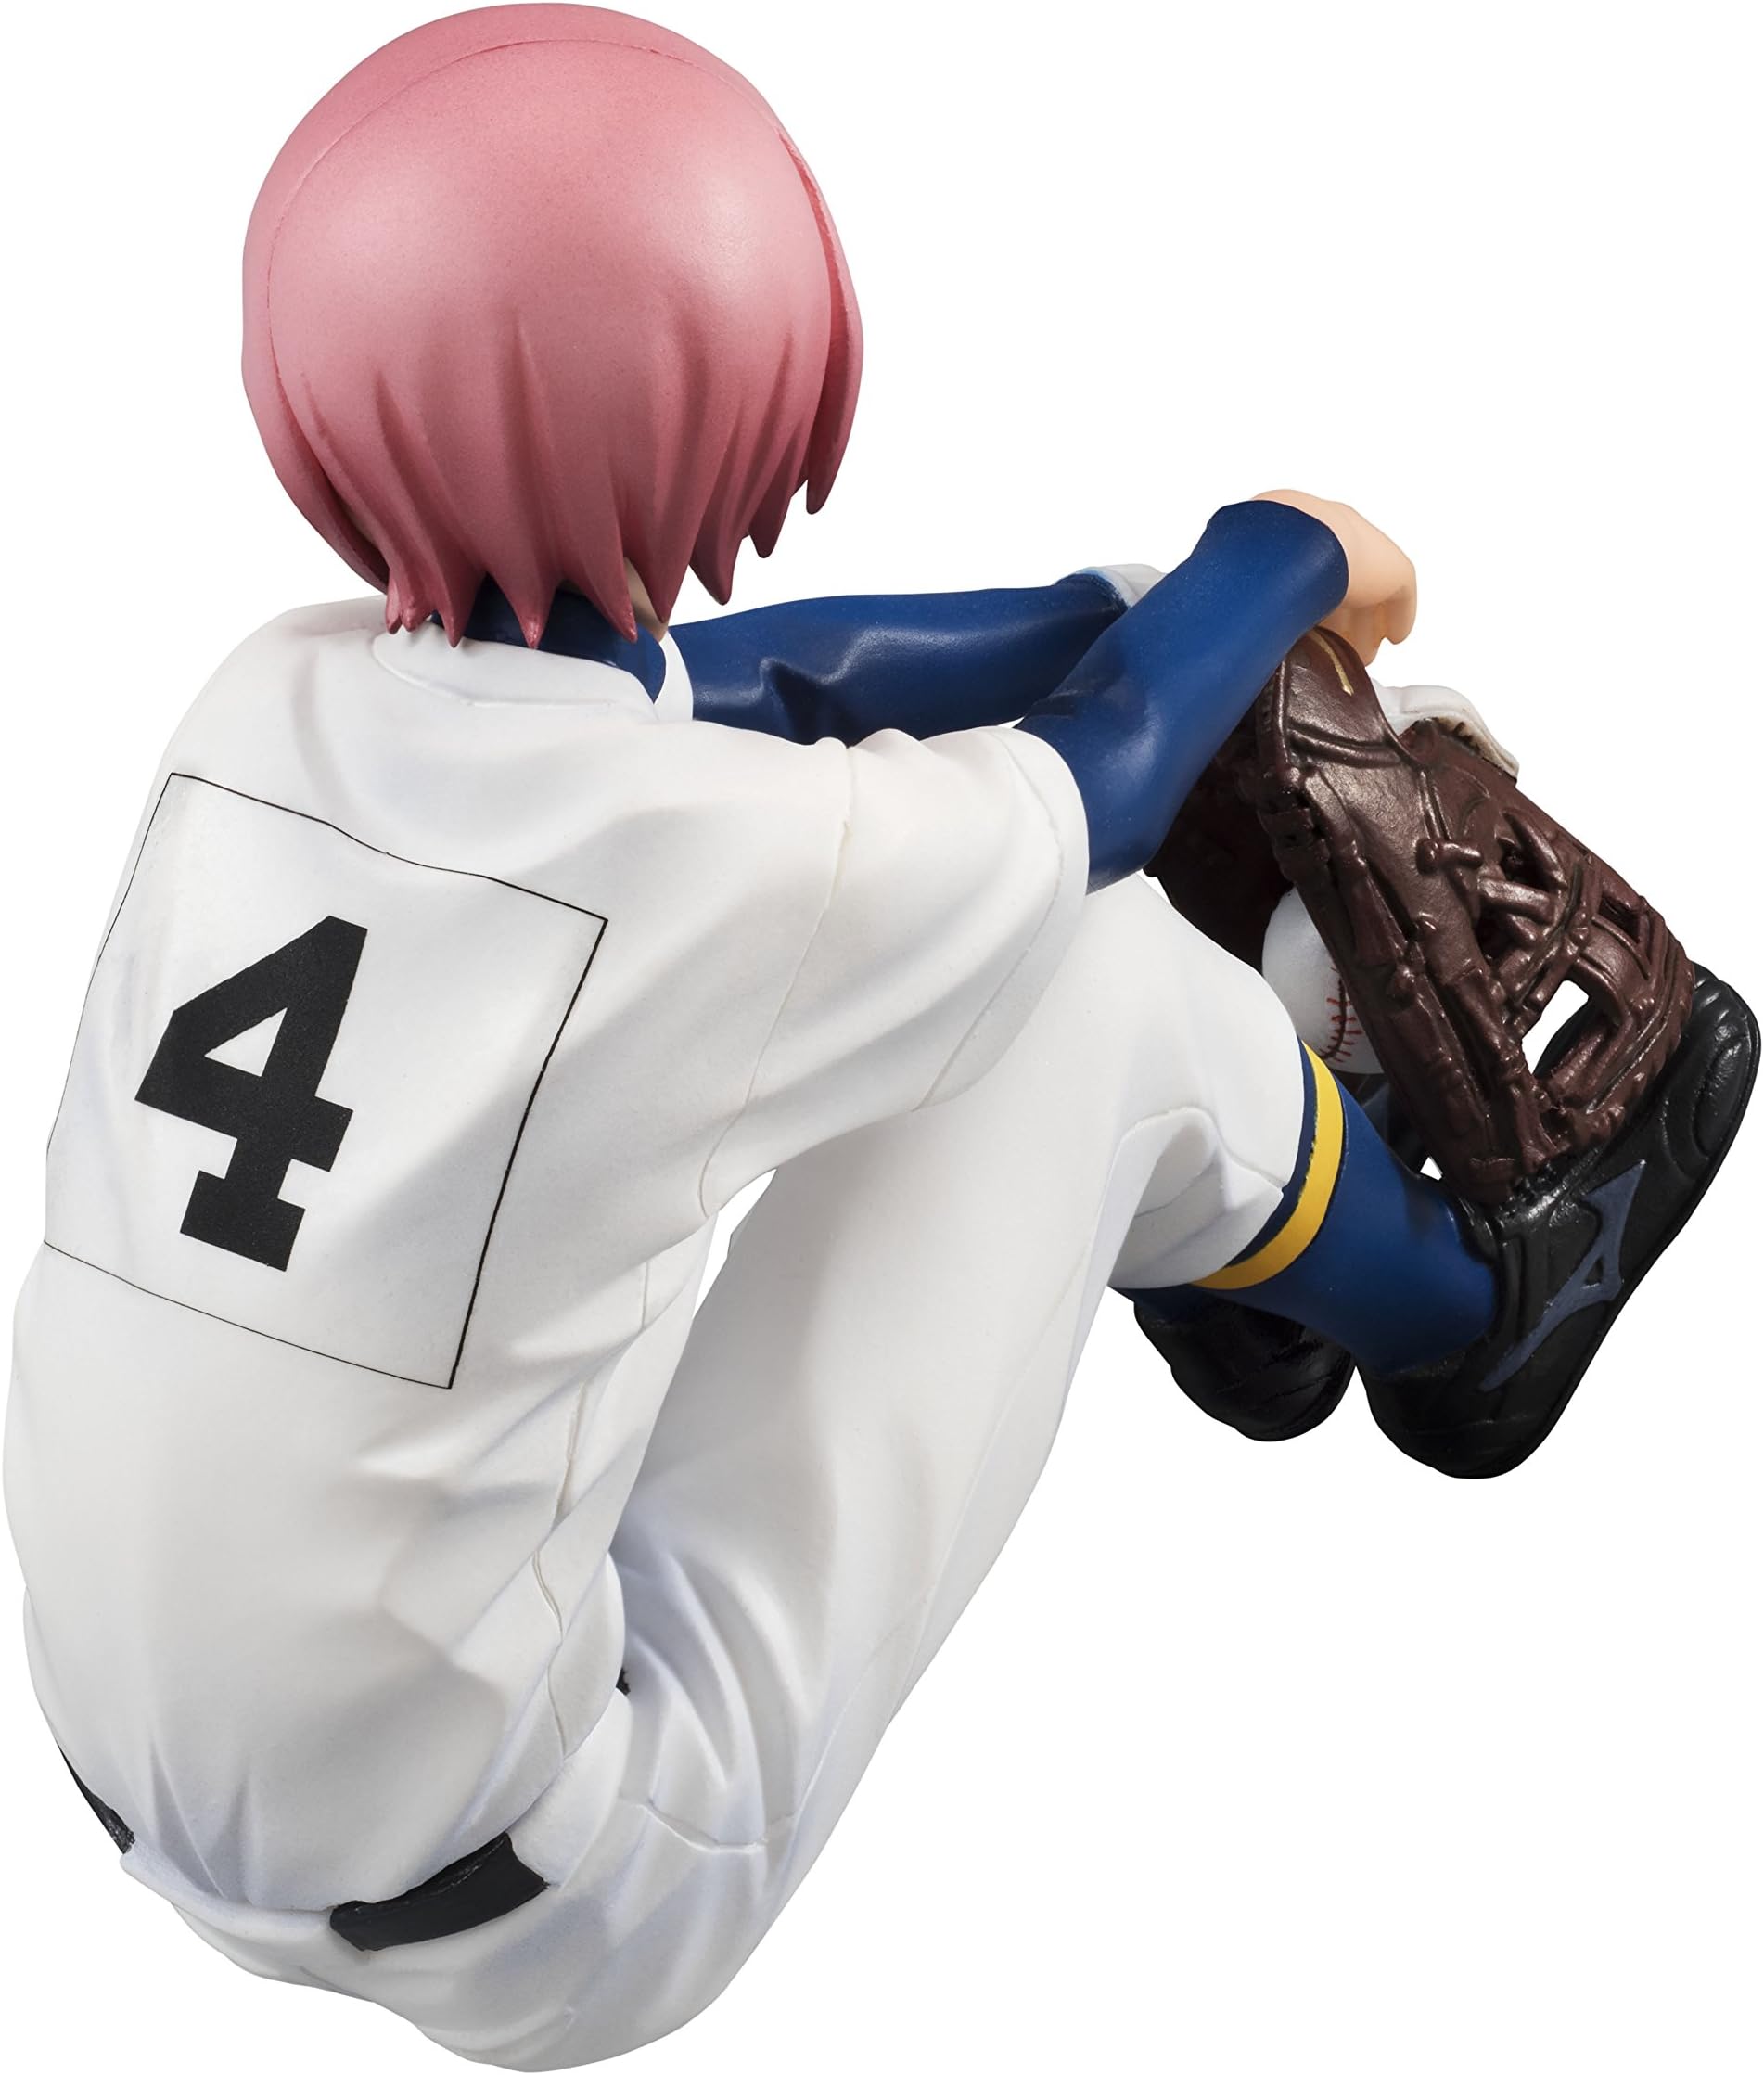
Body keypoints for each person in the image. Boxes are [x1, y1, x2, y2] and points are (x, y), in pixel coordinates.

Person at [6, 8, 1752, 2068]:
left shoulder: (261, 703)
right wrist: (1272, 551)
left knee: (939, 975)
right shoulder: (718, 873)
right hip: (564, 1892)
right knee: (1096, 975)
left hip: (158, 1771)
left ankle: (1249, 1235)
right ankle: (1478, 1311)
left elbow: (749, 687)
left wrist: (1109, 604)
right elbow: (1098, 780)